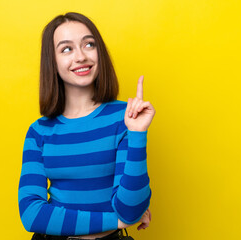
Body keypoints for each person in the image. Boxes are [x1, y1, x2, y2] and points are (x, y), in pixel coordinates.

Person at [18, 12, 155, 240]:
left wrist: (138, 133)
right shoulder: (39, 131)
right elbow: (32, 215)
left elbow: (130, 209)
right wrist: (116, 220)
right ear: (52, 61)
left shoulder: (126, 117)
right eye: (66, 49)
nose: (81, 56)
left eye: (88, 44)